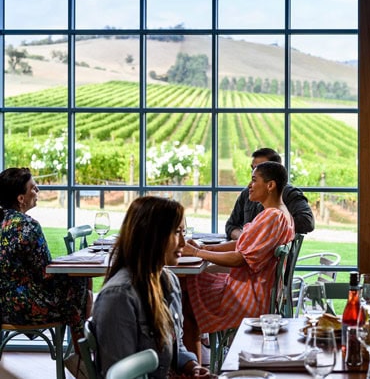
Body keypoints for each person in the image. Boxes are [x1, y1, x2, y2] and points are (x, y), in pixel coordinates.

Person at [92, 196, 210, 379]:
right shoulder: (118, 297)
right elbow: (120, 374)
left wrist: (191, 365)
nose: (183, 243)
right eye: (177, 232)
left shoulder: (168, 281)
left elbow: (174, 343)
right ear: (153, 235)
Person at [184, 161, 295, 335]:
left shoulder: (273, 217)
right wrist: (205, 247)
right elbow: (242, 243)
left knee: (186, 293)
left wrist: (197, 253)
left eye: (253, 180)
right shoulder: (279, 213)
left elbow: (240, 258)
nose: (249, 185)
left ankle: (191, 357)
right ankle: (196, 354)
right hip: (257, 291)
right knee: (190, 285)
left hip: (250, 297)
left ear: (270, 185)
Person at [0, 167, 90, 378]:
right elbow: (45, 272)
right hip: (25, 307)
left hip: (3, 304)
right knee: (80, 288)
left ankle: (83, 360)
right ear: (21, 198)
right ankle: (84, 361)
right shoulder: (28, 226)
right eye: (33, 187)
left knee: (78, 290)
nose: (38, 189)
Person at [225, 147, 314, 240]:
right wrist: (245, 239)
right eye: (253, 169)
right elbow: (231, 226)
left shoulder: (290, 194)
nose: (255, 172)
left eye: (261, 168)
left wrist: (268, 229)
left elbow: (307, 222)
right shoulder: (247, 193)